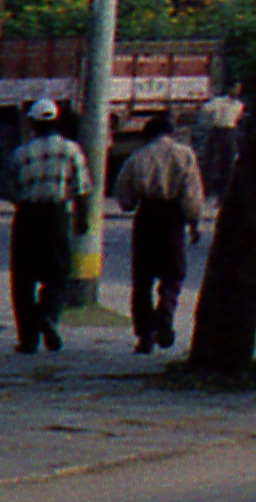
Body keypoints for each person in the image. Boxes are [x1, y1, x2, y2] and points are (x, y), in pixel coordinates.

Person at [110, 114, 207, 354]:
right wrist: (194, 223)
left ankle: (144, 335)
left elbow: (124, 197)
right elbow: (191, 194)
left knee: (142, 279)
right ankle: (166, 308)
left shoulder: (137, 158)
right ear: (170, 133)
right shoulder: (184, 155)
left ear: (147, 135)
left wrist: (133, 202)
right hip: (172, 218)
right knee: (174, 272)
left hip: (147, 217)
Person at [9, 99, 91, 354]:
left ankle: (28, 339)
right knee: (57, 273)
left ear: (32, 123)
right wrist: (82, 219)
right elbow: (82, 189)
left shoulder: (21, 153)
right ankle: (49, 314)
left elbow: (12, 188)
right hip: (57, 216)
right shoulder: (72, 150)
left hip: (27, 217)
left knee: (23, 280)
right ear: (56, 121)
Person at [199, 87, 244, 202]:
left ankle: (224, 193)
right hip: (218, 130)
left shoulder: (239, 105)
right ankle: (207, 191)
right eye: (235, 88)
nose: (236, 91)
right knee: (211, 161)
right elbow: (205, 109)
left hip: (230, 131)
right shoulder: (219, 102)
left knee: (228, 163)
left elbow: (238, 118)